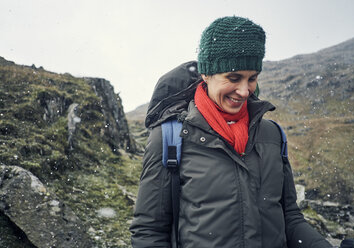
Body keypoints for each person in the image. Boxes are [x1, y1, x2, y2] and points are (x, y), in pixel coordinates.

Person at [130, 16, 332, 248]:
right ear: (206, 74)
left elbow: (290, 219)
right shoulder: (170, 139)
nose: (245, 91)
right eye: (233, 78)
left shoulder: (272, 135)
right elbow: (149, 232)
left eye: (252, 78)